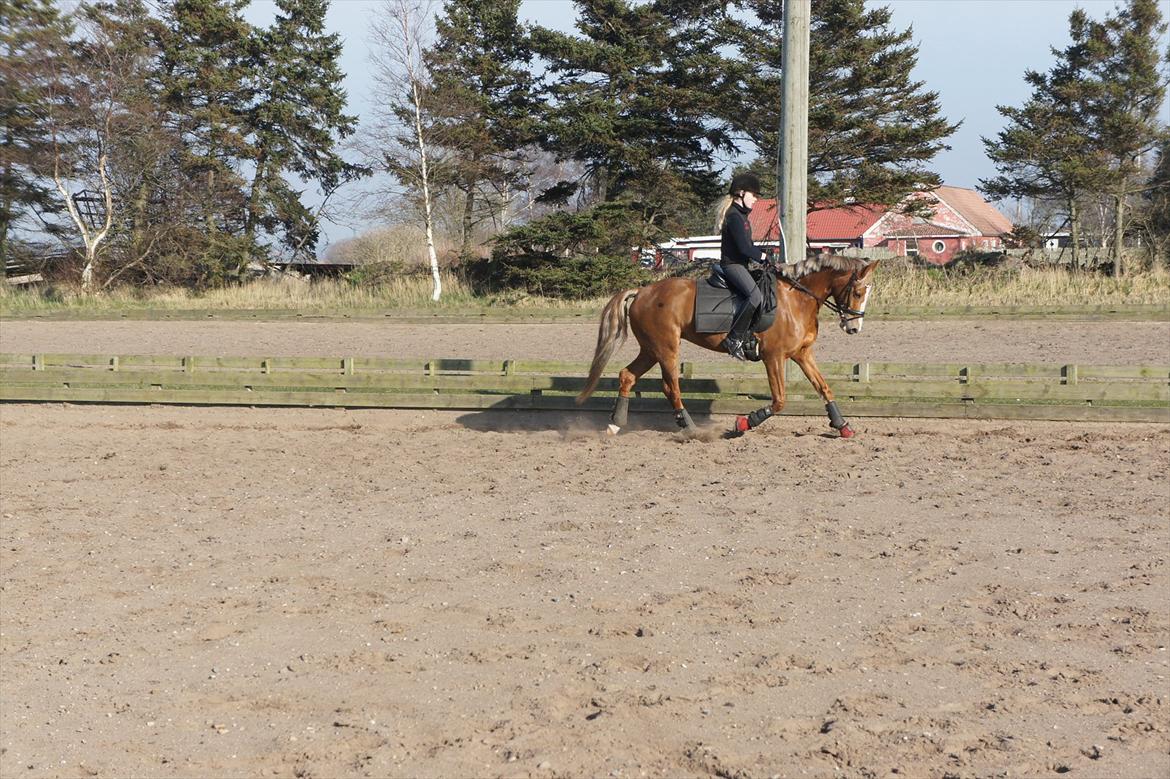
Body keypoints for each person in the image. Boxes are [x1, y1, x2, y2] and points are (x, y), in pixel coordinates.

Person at [714, 172, 766, 360]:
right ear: (741, 193)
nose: (756, 200)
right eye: (754, 195)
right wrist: (762, 256)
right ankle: (734, 338)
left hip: (741, 265)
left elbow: (749, 245)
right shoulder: (735, 216)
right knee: (755, 296)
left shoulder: (741, 216)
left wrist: (763, 253)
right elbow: (744, 248)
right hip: (733, 265)